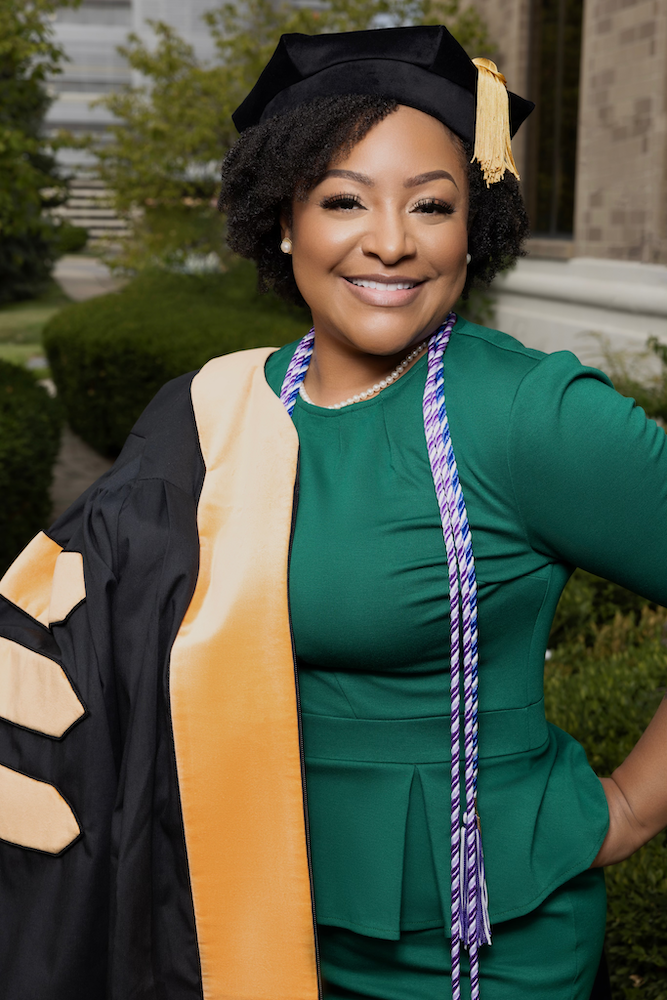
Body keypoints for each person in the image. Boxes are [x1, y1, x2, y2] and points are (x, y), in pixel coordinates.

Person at [0, 23, 665, 1000]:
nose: (390, 240)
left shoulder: (530, 416)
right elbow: (75, 629)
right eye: (343, 199)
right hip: (223, 916)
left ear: (470, 228)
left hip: (469, 951)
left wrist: (628, 807)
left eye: (431, 205)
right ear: (283, 220)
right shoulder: (211, 409)